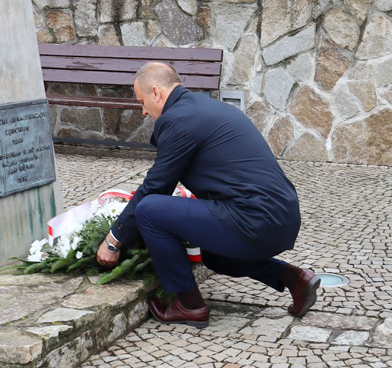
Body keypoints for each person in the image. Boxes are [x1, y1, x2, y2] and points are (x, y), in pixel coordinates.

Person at [97, 63, 319, 327]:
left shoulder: (178, 119)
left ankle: (189, 306)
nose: (143, 111)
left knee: (150, 210)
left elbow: (156, 187)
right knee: (214, 255)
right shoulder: (207, 107)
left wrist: (114, 239)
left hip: (253, 218)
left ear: (156, 92)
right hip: (282, 216)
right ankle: (294, 278)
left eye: (142, 102)